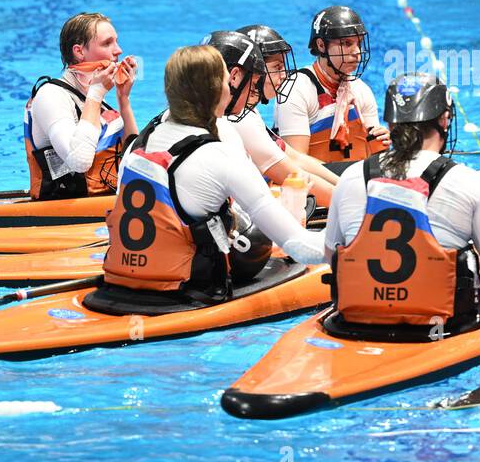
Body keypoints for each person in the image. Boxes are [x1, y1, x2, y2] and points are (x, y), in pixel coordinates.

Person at [95, 44, 325, 313]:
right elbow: (301, 249)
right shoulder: (219, 154)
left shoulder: (136, 147)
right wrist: (351, 242)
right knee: (257, 236)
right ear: (218, 90)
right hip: (187, 289)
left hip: (120, 280)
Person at [321, 71, 480, 335]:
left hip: (356, 325)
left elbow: (332, 258)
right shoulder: (466, 181)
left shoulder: (351, 177)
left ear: (391, 125)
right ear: (444, 119)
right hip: (442, 326)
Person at [25, 12, 139, 201]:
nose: (118, 50)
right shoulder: (51, 96)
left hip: (105, 198)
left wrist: (123, 98)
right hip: (62, 208)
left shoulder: (96, 97)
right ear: (79, 52)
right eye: (107, 43)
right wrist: (96, 94)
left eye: (116, 42)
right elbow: (79, 162)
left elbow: (134, 157)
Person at [235, 23, 342, 201]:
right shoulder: (239, 120)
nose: (284, 75)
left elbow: (296, 158)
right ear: (254, 72)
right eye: (277, 68)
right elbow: (294, 175)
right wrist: (354, 200)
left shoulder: (249, 113)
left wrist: (344, 183)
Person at [276, 5, 389, 162]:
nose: (356, 52)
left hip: (351, 180)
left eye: (359, 43)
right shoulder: (296, 90)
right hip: (315, 182)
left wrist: (379, 142)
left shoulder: (360, 90)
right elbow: (296, 164)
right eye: (347, 43)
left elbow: (373, 158)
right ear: (321, 45)